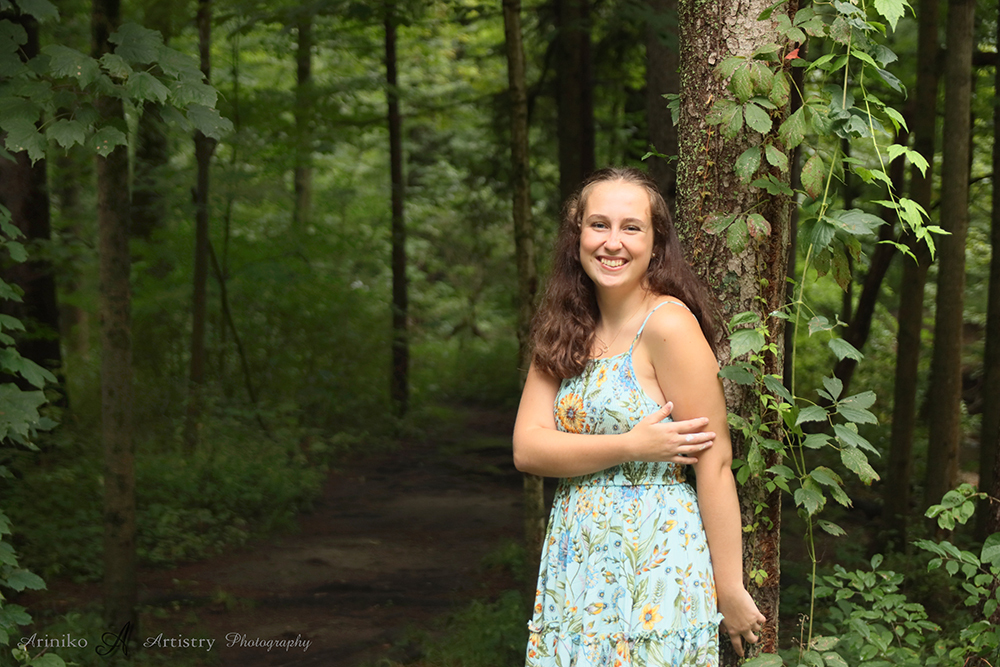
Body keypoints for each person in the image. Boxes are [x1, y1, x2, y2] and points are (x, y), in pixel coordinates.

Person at [513, 167, 764, 666]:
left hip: (655, 561)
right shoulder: (564, 325)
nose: (613, 243)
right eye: (598, 225)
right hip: (576, 560)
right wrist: (631, 445)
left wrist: (730, 587)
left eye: (632, 228)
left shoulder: (668, 323)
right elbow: (528, 448)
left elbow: (714, 461)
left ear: (656, 243)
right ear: (577, 236)